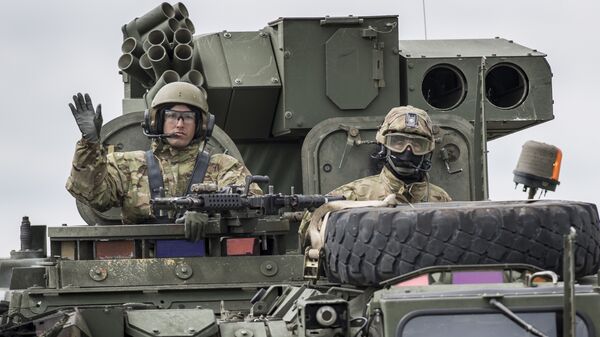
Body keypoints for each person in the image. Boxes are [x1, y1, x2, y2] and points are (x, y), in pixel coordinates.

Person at [66, 81, 261, 224]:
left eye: (188, 118)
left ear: (202, 126)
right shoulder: (127, 165)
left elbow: (250, 201)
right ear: (155, 121)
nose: (179, 124)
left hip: (208, 258)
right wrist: (90, 145)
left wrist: (206, 211)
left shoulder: (223, 166)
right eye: (171, 116)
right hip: (141, 262)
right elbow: (94, 196)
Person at [329, 105, 451, 202]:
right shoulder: (354, 196)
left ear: (427, 151)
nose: (407, 151)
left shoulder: (441, 199)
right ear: (384, 146)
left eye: (417, 144)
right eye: (398, 142)